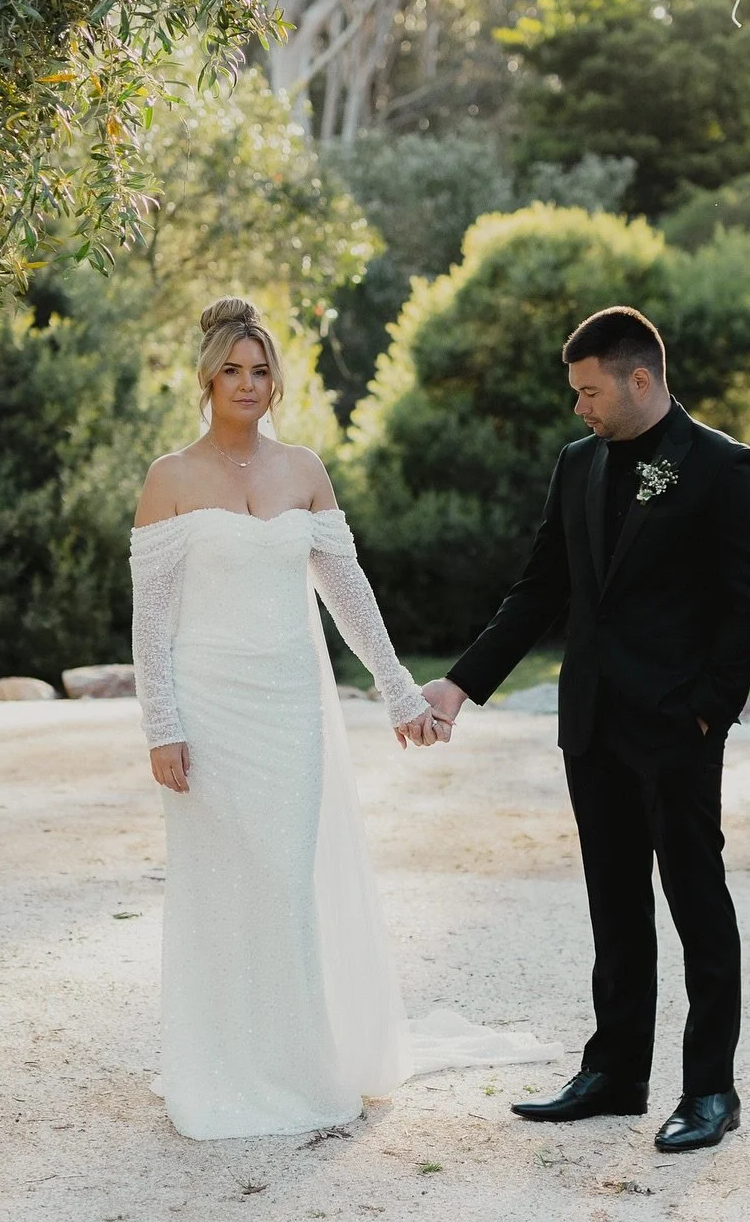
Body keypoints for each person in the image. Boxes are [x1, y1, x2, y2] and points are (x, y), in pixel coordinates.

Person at [130, 296, 556, 1140]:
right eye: (233, 371)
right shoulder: (169, 478)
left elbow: (350, 598)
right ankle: (222, 1067)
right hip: (209, 711)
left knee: (286, 881)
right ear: (207, 378)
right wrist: (161, 725)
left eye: (261, 371)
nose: (248, 385)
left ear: (276, 380)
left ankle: (297, 1066)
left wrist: (400, 692)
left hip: (290, 710)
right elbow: (151, 622)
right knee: (223, 888)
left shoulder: (306, 470)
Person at [422, 306, 750, 1152]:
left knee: (696, 902)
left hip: (677, 729)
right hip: (590, 724)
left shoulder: (724, 468)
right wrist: (462, 684)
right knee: (614, 905)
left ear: (640, 379)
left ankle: (710, 1090)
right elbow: (539, 590)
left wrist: (705, 710)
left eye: (588, 391)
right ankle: (616, 1073)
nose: (578, 407)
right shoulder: (576, 463)